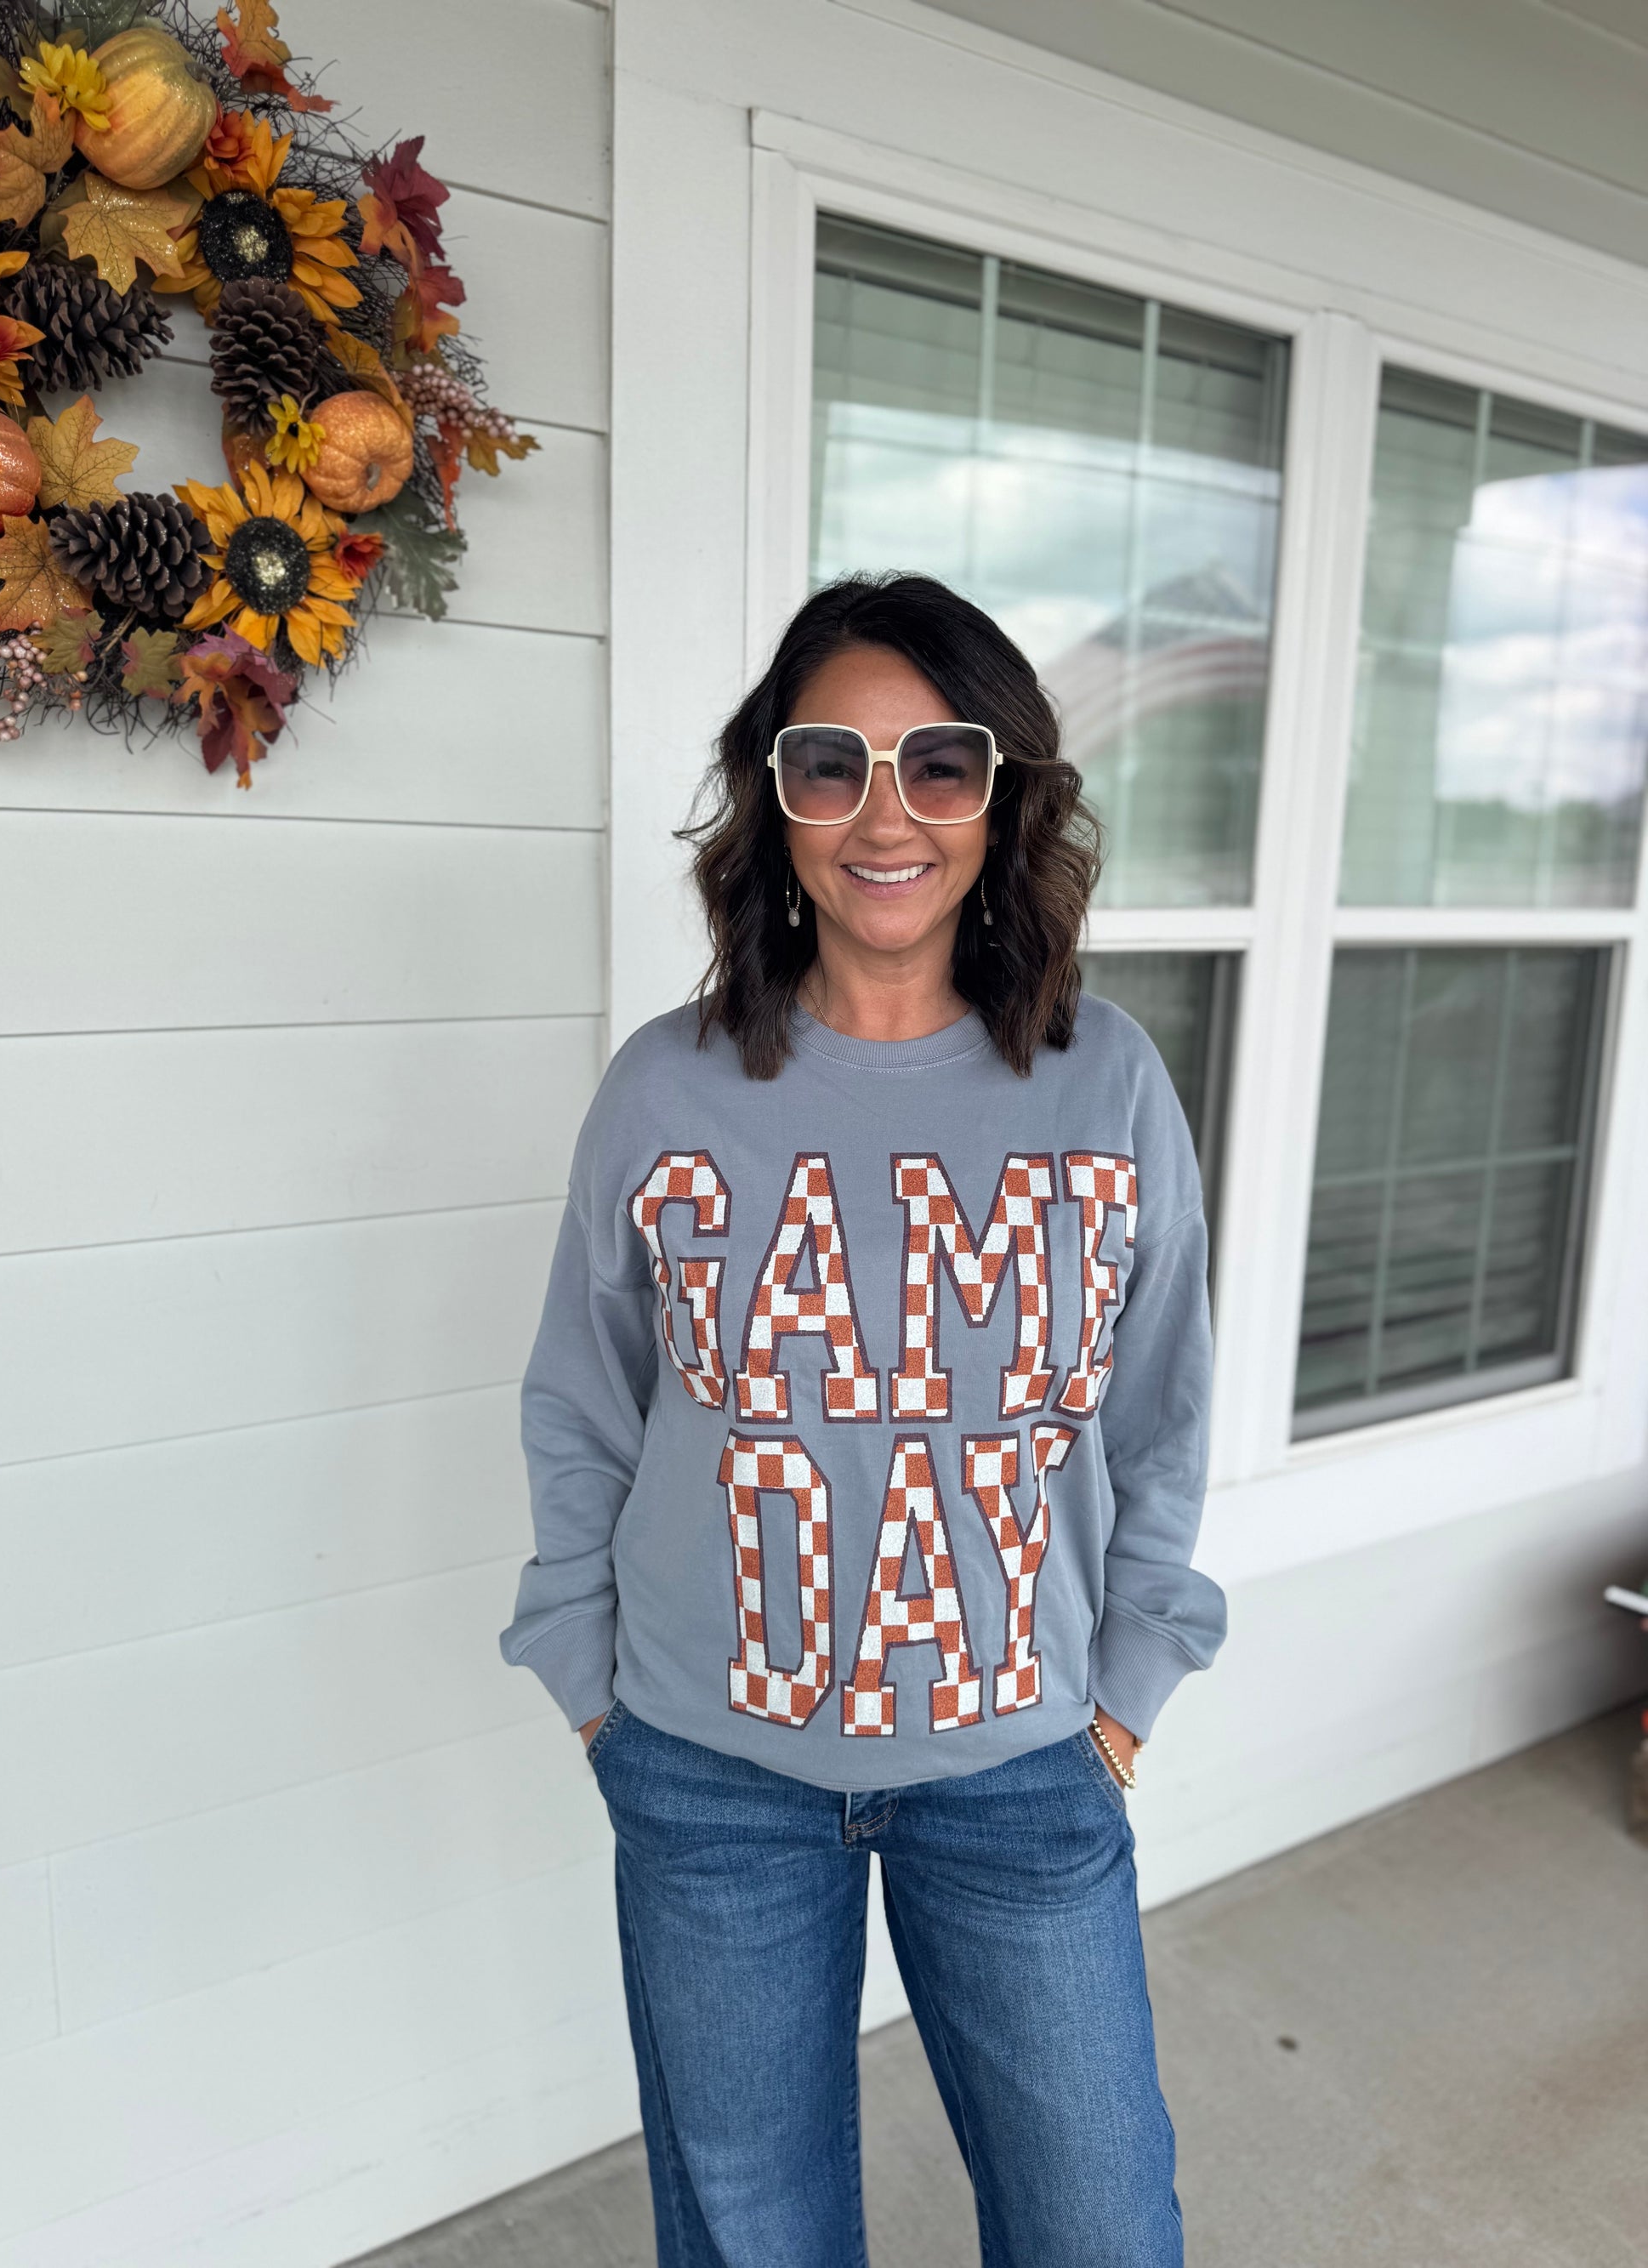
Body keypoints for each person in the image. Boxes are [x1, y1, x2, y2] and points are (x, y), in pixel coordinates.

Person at [502, 572, 1226, 2267]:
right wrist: (591, 1681)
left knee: (1101, 2229)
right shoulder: (665, 1086)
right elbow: (584, 1394)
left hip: (1023, 1765)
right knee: (752, 2237)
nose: (884, 816)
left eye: (938, 764)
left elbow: (1165, 1404)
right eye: (831, 763)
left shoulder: (1105, 1079)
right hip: (709, 1771)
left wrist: (1125, 1692)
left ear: (1003, 795)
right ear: (774, 796)